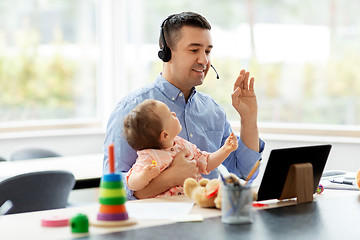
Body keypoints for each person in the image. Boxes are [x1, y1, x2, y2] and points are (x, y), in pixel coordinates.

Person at [103, 11, 265, 200]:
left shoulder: (213, 111)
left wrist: (249, 118)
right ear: (167, 53)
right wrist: (169, 178)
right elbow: (112, 187)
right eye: (194, 50)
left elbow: (245, 172)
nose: (204, 60)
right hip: (159, 225)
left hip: (208, 221)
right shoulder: (130, 109)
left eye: (207, 51)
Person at [123, 99, 238, 197]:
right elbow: (131, 183)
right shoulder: (150, 156)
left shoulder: (182, 144)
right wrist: (143, 176)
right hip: (166, 207)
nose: (174, 113)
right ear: (165, 135)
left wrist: (225, 150)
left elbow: (206, 163)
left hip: (190, 201)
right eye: (170, 115)